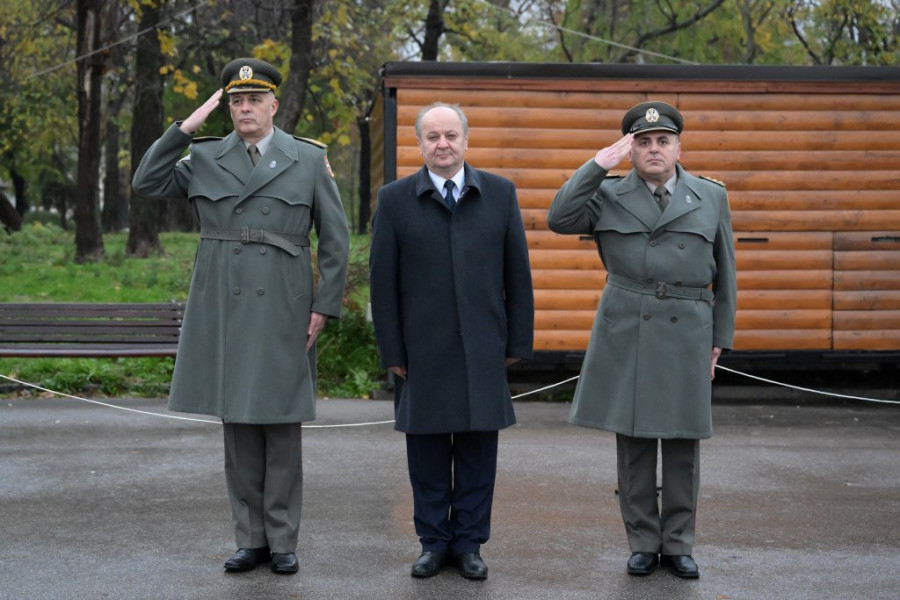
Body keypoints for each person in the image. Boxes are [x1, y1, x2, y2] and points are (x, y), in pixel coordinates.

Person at [132, 58, 350, 575]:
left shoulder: (307, 157)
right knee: (238, 428)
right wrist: (185, 128)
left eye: (254, 100)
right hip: (225, 307)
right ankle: (250, 539)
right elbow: (147, 181)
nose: (244, 108)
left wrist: (324, 305)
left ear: (274, 105)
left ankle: (283, 540)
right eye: (236, 101)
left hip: (284, 304)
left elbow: (336, 239)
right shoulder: (206, 156)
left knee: (281, 425)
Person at [547, 101, 737, 579]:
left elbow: (727, 274)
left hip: (688, 329)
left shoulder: (710, 195)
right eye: (644, 142)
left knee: (682, 443)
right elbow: (559, 217)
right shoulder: (608, 193)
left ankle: (678, 544)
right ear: (630, 150)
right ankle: (643, 542)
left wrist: (721, 338)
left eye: (663, 141)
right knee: (632, 442)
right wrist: (597, 165)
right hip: (627, 328)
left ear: (678, 148)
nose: (654, 149)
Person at [368, 102, 534, 581]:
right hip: (421, 352)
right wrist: (391, 351)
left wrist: (517, 342)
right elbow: (383, 284)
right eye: (433, 136)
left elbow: (517, 275)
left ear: (466, 139)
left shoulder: (499, 193)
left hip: (483, 347)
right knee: (427, 455)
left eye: (451, 135)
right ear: (420, 144)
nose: (442, 144)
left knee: (479, 454)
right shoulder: (395, 199)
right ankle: (433, 543)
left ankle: (469, 544)